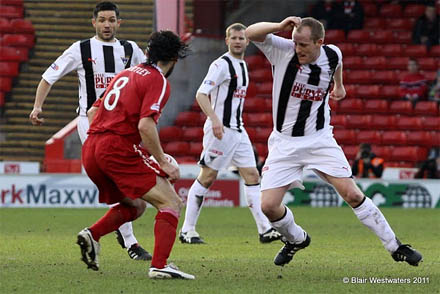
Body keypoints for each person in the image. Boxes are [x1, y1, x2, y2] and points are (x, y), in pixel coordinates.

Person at [245, 16, 423, 267]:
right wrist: (279, 27)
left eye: (304, 45)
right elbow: (251, 32)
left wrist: (339, 86)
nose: (298, 49)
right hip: (284, 143)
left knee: (352, 194)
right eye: (296, 43)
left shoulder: (332, 54)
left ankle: (395, 246)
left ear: (320, 42)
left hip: (320, 140)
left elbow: (337, 63)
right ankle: (296, 239)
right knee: (268, 207)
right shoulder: (283, 51)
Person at [28, 1, 151, 261]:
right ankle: (130, 241)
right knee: (115, 176)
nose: (107, 24)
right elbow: (49, 76)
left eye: (111, 20)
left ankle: (121, 229)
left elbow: (150, 75)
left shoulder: (130, 50)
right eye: (102, 20)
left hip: (123, 125)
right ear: (93, 22)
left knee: (122, 181)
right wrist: (37, 107)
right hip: (91, 123)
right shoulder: (80, 49)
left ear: (120, 23)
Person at [77, 30, 194, 279]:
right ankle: (160, 264)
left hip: (91, 147)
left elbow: (91, 113)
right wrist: (162, 161)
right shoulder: (158, 80)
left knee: (136, 205)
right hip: (115, 148)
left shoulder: (125, 74)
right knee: (171, 202)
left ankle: (93, 234)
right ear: (174, 58)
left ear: (148, 52)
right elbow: (145, 125)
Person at [179, 23, 282, 245]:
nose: (237, 41)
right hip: (221, 130)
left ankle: (265, 230)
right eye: (233, 38)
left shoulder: (243, 66)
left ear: (247, 41)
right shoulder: (221, 65)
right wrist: (215, 121)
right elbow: (201, 94)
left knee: (253, 176)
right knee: (207, 177)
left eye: (241, 38)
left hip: (238, 130)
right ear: (227, 41)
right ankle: (187, 230)